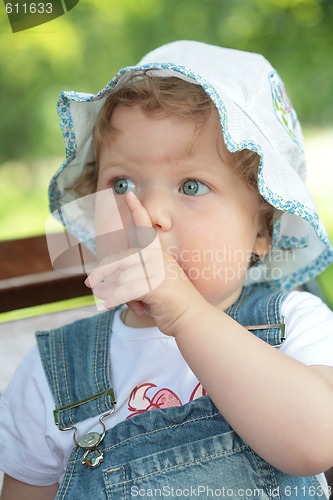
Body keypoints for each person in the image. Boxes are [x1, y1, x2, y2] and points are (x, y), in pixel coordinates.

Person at [1, 40, 333, 499]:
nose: (149, 210)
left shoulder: (295, 324)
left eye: (191, 185)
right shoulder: (52, 373)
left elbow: (315, 441)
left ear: (262, 229)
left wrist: (187, 315)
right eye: (122, 183)